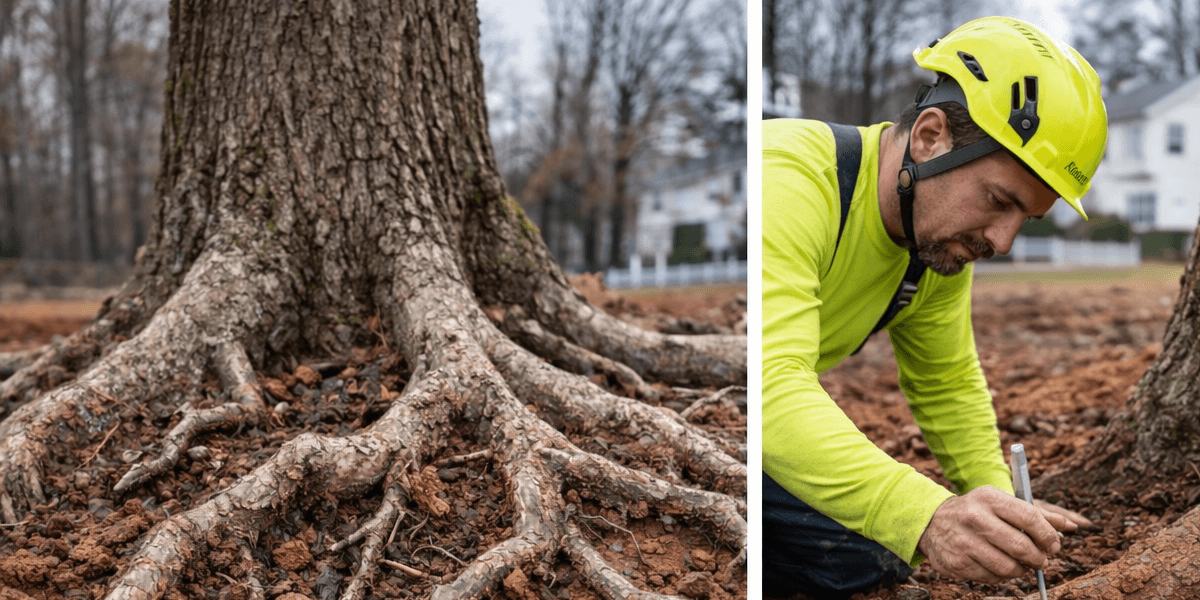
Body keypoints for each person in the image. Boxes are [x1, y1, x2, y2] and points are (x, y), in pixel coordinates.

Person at [761, 16, 1107, 599]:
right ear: (929, 137)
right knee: (866, 557)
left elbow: (945, 380)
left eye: (1026, 219)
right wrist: (926, 515)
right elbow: (769, 383)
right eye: (999, 201)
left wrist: (1001, 503)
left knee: (868, 556)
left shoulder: (935, 238)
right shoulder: (788, 177)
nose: (1002, 242)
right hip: (741, 414)